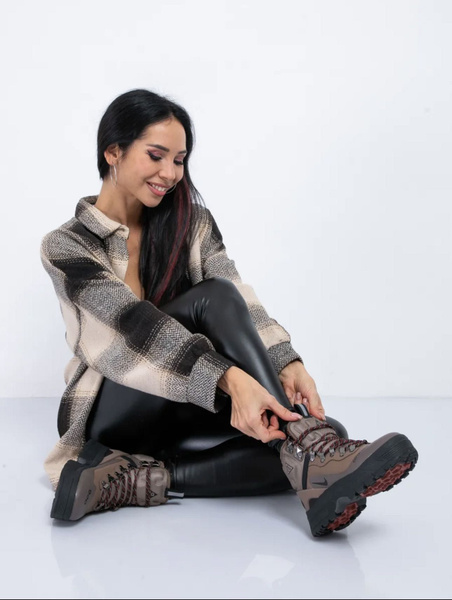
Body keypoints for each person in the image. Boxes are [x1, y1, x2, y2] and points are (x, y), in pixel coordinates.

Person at [40, 89, 418, 537]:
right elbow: (133, 330)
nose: (170, 174)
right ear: (113, 152)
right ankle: (311, 449)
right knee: (212, 299)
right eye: (156, 156)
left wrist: (286, 361)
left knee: (314, 430)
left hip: (187, 398)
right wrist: (230, 379)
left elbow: (240, 296)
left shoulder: (190, 223)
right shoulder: (67, 245)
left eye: (179, 160)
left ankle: (137, 480)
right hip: (115, 412)